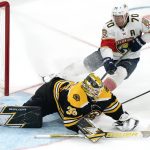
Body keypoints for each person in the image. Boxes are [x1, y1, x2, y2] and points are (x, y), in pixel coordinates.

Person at [58, 3, 150, 91]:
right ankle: (60, 76)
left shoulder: (139, 20)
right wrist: (107, 60)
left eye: (120, 17)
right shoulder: (108, 27)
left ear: (126, 15)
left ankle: (101, 93)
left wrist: (142, 40)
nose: (118, 20)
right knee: (87, 64)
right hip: (110, 53)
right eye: (115, 17)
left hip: (130, 57)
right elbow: (106, 46)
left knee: (121, 73)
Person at [23, 73, 139, 133]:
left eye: (99, 91)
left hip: (66, 96)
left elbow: (112, 105)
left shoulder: (103, 92)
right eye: (94, 92)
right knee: (31, 113)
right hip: (51, 93)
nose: (98, 94)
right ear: (87, 90)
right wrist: (85, 128)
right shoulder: (76, 97)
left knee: (94, 108)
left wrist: (122, 117)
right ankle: (22, 110)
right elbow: (69, 121)